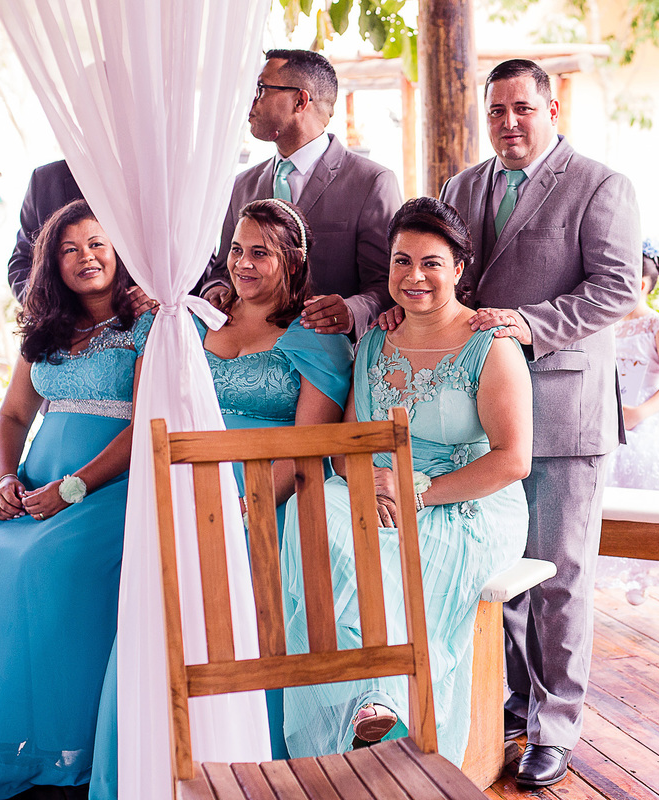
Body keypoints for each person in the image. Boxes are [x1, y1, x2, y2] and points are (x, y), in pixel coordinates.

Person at [87, 198, 352, 798]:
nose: (244, 264)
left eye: (261, 252)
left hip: (265, 499)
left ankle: (254, 767)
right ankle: (156, 759)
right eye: (237, 249)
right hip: (183, 487)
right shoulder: (195, 322)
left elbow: (308, 448)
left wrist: (247, 508)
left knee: (239, 621)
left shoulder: (315, 340)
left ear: (294, 261)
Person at [435, 58, 640, 787]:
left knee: (560, 577)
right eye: (496, 111)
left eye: (523, 108)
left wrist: (528, 324)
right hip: (480, 418)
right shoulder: (462, 187)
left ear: (553, 109)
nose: (509, 123)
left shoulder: (599, 184)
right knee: (500, 573)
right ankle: (516, 704)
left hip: (564, 411)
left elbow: (616, 287)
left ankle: (557, 725)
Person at [279, 197, 532, 766]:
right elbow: (348, 445)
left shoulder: (490, 345)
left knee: (391, 545)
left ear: (459, 269)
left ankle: (390, 706)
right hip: (382, 489)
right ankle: (367, 700)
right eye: (401, 261)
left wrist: (419, 492)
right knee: (311, 510)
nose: (413, 277)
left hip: (468, 500)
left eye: (431, 263)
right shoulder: (372, 343)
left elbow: (514, 459)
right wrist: (371, 482)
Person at [0, 200, 150, 799]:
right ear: (53, 262)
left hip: (110, 486)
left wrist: (74, 488)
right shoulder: (45, 329)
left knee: (44, 564)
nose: (87, 258)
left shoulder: (148, 324)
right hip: (36, 481)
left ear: (120, 248)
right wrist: (5, 480)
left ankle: (55, 745)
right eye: (70, 249)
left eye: (99, 244)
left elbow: (150, 422)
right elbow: (13, 414)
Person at [201, 49, 402, 338]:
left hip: (332, 357)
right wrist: (216, 290)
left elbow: (388, 282)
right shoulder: (241, 185)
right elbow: (222, 269)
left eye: (260, 89)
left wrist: (351, 310)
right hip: (248, 352)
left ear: (300, 100)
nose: (250, 101)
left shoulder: (372, 182)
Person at [597, 238, 659, 605]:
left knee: (641, 475)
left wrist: (638, 415)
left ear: (642, 285)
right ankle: (606, 561)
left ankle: (640, 569)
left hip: (644, 415)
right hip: (608, 414)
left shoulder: (657, 324)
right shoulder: (608, 325)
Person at [7, 159, 84, 302]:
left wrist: (140, 288)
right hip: (64, 317)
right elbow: (22, 262)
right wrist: (41, 302)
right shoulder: (45, 180)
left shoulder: (136, 171)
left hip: (133, 313)